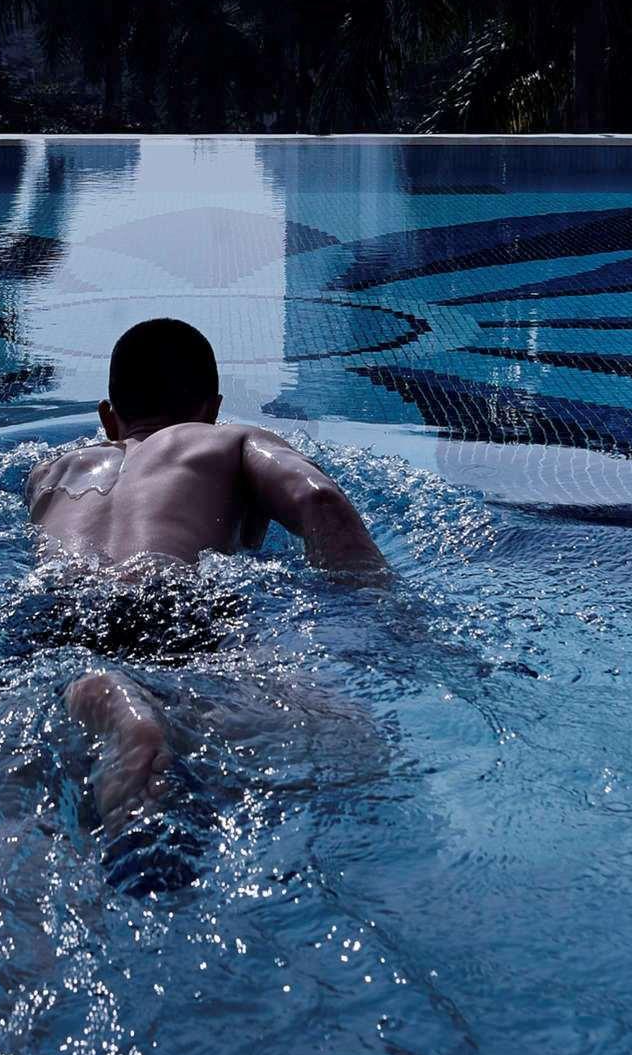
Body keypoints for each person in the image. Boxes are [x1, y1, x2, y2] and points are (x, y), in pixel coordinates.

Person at [26, 316, 385, 871]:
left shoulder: (53, 472)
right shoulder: (228, 440)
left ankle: (106, 704)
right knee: (352, 747)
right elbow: (319, 500)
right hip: (166, 599)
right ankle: (138, 714)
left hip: (55, 614)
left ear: (107, 418)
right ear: (212, 408)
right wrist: (382, 614)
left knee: (20, 805)